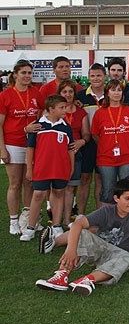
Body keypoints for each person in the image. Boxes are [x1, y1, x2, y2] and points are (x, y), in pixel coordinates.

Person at [35, 179, 129, 295]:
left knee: (128, 258)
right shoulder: (106, 211)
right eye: (127, 198)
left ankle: (86, 280)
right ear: (116, 199)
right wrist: (71, 249)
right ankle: (61, 276)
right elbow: (78, 224)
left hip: (119, 254)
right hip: (99, 247)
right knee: (84, 234)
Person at [20, 95, 74, 242]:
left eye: (66, 107)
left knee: (58, 193)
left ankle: (56, 225)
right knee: (38, 195)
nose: (65, 110)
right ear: (51, 109)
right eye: (61, 108)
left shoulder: (66, 127)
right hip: (41, 168)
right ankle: (30, 227)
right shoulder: (38, 125)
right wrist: (30, 169)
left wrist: (71, 168)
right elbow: (30, 149)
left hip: (61, 168)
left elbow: (70, 149)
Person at [0, 60, 44, 235]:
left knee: (30, 182)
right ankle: (13, 219)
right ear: (15, 74)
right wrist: (2, 149)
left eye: (29, 73)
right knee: (15, 184)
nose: (27, 76)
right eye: (23, 73)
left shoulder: (35, 93)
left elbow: (44, 110)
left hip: (33, 144)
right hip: (13, 143)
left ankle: (27, 217)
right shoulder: (6, 95)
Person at [91, 79, 129, 205]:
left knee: (126, 190)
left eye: (119, 90)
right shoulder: (100, 113)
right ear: (107, 93)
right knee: (108, 190)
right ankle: (107, 222)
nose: (116, 93)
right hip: (106, 158)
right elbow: (95, 134)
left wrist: (124, 142)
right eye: (113, 90)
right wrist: (107, 144)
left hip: (127, 157)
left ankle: (125, 221)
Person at [58, 79, 90, 225]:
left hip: (74, 154)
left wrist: (81, 142)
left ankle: (66, 220)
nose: (68, 94)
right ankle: (56, 219)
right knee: (58, 188)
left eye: (71, 91)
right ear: (59, 93)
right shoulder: (54, 110)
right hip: (57, 154)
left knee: (70, 188)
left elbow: (86, 134)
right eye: (64, 91)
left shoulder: (81, 112)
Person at [77, 63, 106, 214]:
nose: (96, 78)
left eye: (99, 75)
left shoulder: (111, 94)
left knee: (101, 180)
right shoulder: (80, 96)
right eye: (93, 76)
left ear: (104, 77)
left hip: (105, 143)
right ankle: (80, 214)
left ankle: (99, 215)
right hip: (87, 143)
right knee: (85, 179)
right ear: (88, 77)